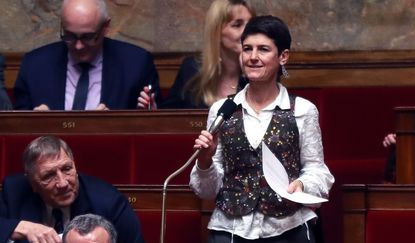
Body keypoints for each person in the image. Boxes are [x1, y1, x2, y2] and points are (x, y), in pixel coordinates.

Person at [189, 15, 334, 242]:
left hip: (288, 230)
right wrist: (205, 161)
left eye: (263, 49)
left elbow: (318, 171)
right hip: (231, 230)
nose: (253, 57)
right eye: (247, 49)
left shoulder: (303, 110)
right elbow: (206, 191)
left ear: (283, 56)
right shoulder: (222, 110)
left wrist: (303, 184)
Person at [14, 0, 160, 111]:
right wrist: (33, 124)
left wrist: (116, 125)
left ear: (105, 27)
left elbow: (153, 126)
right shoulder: (34, 65)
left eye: (88, 37)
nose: (78, 46)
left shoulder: (136, 64)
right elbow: (16, 129)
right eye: (70, 36)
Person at [0, 136, 145, 243]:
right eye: (49, 176)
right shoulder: (14, 191)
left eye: (67, 169)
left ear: (75, 165)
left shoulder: (109, 203)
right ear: (32, 182)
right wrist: (20, 227)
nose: (63, 183)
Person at [160, 0, 254, 109]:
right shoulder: (192, 69)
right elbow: (169, 116)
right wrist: (152, 110)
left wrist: (250, 75)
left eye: (251, 24)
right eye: (237, 25)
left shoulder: (260, 69)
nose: (248, 32)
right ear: (216, 32)